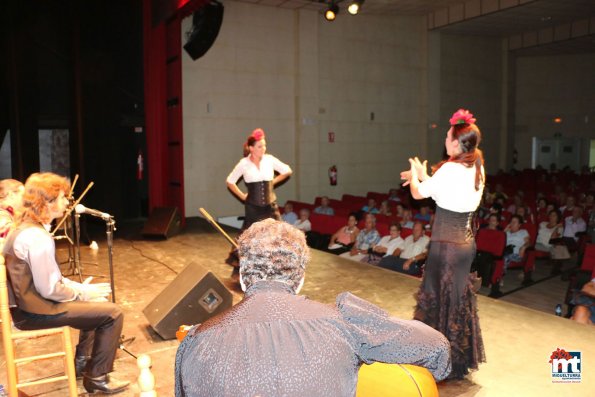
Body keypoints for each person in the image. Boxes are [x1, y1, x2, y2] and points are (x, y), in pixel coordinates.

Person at [175, 219, 452, 397]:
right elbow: (435, 347)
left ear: (244, 277)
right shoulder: (344, 321)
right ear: (302, 278)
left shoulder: (196, 341)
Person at [2, 172, 129, 394]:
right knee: (113, 313)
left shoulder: (25, 228)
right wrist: (82, 294)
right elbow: (50, 289)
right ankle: (97, 377)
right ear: (47, 203)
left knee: (94, 306)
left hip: (28, 307)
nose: (67, 202)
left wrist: (82, 290)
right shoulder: (36, 238)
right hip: (33, 313)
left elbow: (50, 281)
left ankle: (82, 363)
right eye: (62, 197)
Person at [400, 108, 486, 379]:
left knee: (439, 299)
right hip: (464, 245)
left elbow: (417, 194)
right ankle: (455, 360)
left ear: (458, 142)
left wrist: (416, 175)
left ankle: (437, 357)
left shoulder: (450, 168)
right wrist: (426, 175)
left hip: (446, 246)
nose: (445, 141)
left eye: (448, 137)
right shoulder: (476, 167)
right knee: (456, 301)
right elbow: (444, 190)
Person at [226, 128, 292, 231]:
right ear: (251, 148)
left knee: (277, 234)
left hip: (270, 206)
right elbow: (230, 181)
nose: (263, 148)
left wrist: (272, 182)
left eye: (264, 145)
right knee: (252, 235)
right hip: (253, 207)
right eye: (260, 146)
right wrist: (242, 197)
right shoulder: (244, 163)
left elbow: (287, 171)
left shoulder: (269, 159)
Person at [0, 179, 24, 247]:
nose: (25, 199)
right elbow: (16, 240)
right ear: (12, 195)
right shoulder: (2, 216)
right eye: (23, 195)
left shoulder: (7, 213)